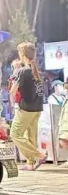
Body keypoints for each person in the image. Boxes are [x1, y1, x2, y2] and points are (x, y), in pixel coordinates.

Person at [9, 42, 46, 171]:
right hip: (37, 108)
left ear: (22, 54)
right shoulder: (36, 71)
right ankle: (30, 163)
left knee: (15, 134)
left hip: (26, 108)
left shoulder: (22, 71)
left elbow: (13, 91)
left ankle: (39, 155)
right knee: (31, 136)